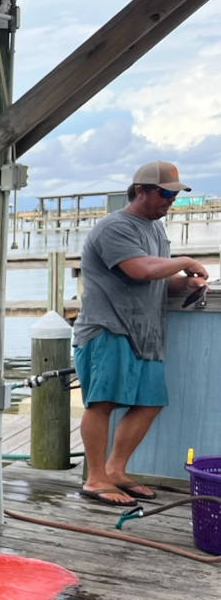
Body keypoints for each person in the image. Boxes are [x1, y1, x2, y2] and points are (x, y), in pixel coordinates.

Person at [72, 161, 208, 506]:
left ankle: (116, 470)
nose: (171, 200)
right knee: (101, 403)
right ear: (140, 191)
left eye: (175, 194)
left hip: (145, 333)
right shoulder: (114, 228)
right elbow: (140, 270)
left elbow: (158, 282)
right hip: (108, 329)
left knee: (150, 403)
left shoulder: (156, 232)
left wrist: (184, 284)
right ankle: (95, 478)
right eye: (165, 193)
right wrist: (186, 260)